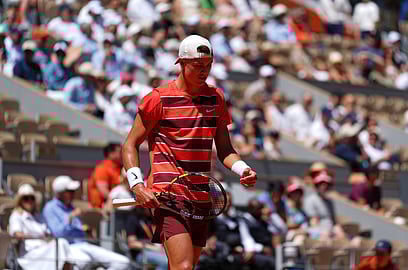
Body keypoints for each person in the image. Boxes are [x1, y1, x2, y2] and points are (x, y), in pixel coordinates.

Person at [122, 35, 257, 270]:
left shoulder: (216, 98)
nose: (204, 71)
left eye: (208, 65)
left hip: (200, 198)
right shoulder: (158, 99)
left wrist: (243, 168)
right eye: (198, 66)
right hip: (167, 196)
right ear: (181, 63)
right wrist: (137, 185)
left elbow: (225, 150)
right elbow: (129, 144)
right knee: (183, 267)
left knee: (188, 267)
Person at [43, 176, 130, 269]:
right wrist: (71, 217)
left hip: (84, 244)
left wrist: (87, 229)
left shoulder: (71, 207)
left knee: (122, 262)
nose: (73, 194)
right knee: (85, 261)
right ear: (59, 193)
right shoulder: (50, 208)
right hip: (68, 247)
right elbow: (57, 234)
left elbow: (79, 228)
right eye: (70, 192)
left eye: (73, 191)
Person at [9, 184, 78, 270]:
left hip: (43, 248)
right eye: (26, 199)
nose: (29, 201)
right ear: (20, 201)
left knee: (61, 243)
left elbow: (48, 233)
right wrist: (37, 236)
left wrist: (46, 237)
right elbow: (17, 234)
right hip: (29, 254)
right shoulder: (16, 215)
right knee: (60, 244)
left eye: (32, 198)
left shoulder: (39, 216)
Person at [303, 172, 345, 239]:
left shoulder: (329, 202)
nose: (324, 186)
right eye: (321, 184)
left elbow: (334, 221)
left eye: (326, 184)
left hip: (330, 230)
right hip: (317, 232)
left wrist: (339, 231)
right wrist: (323, 231)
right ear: (317, 185)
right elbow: (313, 222)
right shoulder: (310, 200)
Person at [88, 143, 123, 208]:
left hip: (117, 206)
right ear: (111, 154)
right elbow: (103, 191)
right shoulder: (102, 168)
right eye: (120, 152)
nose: (123, 154)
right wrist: (119, 201)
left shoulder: (119, 168)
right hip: (101, 208)